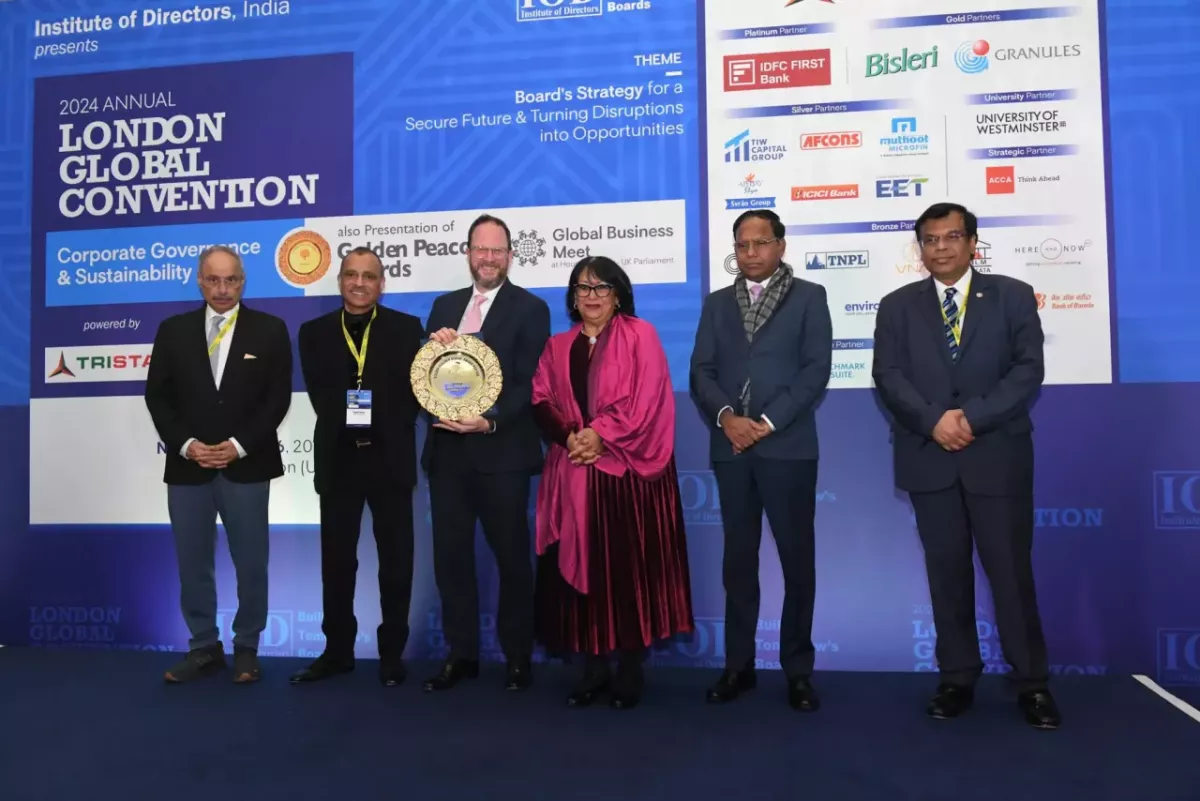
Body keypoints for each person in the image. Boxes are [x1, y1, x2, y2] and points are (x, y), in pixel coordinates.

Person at [871, 202, 1060, 729]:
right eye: (930, 240)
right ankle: (956, 677)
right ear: (920, 248)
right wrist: (934, 422)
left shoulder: (1013, 296)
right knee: (946, 576)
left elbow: (1027, 372)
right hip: (930, 458)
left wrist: (970, 419)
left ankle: (1033, 684)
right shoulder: (896, 305)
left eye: (952, 237)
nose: (941, 248)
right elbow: (888, 375)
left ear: (973, 242)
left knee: (1011, 576)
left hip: (996, 457)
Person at [532, 256, 694, 709]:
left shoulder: (641, 336)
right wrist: (570, 437)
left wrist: (599, 436)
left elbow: (648, 402)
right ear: (572, 297)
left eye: (602, 288)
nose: (592, 296)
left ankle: (628, 667)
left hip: (625, 479)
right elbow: (541, 399)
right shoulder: (557, 346)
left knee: (623, 575)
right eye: (582, 289)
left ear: (618, 293)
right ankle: (593, 668)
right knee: (582, 578)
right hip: (573, 472)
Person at [689, 208, 832, 711]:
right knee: (738, 563)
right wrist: (728, 417)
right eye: (743, 246)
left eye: (761, 244)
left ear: (781, 246)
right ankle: (738, 667)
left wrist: (766, 423)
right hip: (731, 449)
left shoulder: (810, 297)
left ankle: (797, 670)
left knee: (797, 562)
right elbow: (701, 371)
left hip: (788, 449)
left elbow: (816, 372)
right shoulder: (715, 304)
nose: (751, 254)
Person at [144, 245, 292, 684]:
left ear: (243, 281)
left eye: (231, 280)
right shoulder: (173, 331)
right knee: (192, 563)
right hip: (188, 467)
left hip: (246, 464)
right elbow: (158, 396)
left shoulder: (270, 329)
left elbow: (277, 399)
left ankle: (247, 647)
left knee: (251, 562)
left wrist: (239, 445)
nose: (223, 289)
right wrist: (188, 444)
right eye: (213, 279)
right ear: (199, 281)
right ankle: (203, 646)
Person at [421, 213, 551, 692]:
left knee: (513, 560)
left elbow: (528, 383)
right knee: (451, 559)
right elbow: (427, 376)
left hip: (502, 455)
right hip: (449, 457)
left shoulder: (531, 308)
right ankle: (462, 655)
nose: (489, 258)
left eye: (498, 250)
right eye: (481, 249)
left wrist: (489, 419)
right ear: (468, 253)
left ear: (510, 256)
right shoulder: (443, 307)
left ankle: (518, 657)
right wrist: (431, 351)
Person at [290, 247, 424, 687]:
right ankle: (337, 651)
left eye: (369, 275)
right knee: (337, 562)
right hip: (339, 458)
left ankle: (391, 654)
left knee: (396, 562)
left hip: (390, 458)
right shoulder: (312, 333)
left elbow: (412, 399)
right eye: (351, 274)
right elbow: (322, 399)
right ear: (340, 281)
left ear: (381, 283)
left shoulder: (407, 330)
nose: (360, 283)